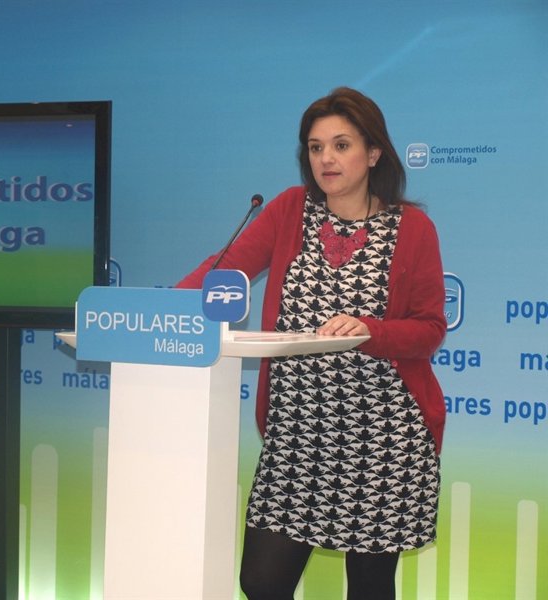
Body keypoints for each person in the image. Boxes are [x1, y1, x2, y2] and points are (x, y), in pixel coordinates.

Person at [176, 87, 446, 599]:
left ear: (373, 153)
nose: (326, 159)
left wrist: (370, 329)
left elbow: (429, 329)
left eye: (341, 145)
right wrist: (166, 307)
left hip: (384, 436)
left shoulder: (412, 228)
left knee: (369, 587)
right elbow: (224, 270)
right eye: (316, 147)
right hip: (297, 434)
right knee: (261, 582)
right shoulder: (290, 210)